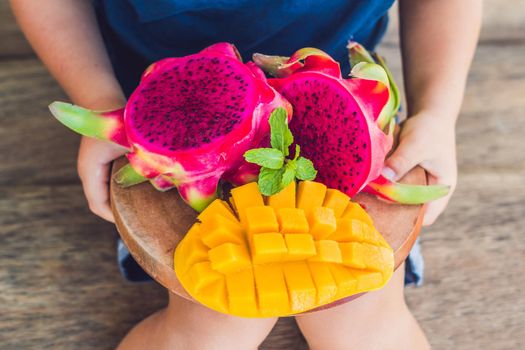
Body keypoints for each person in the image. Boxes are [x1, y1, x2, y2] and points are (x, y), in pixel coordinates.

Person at [11, 0, 481, 348]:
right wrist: (99, 102)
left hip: (350, 110)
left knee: (364, 323)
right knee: (208, 330)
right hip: (164, 129)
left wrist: (437, 114)